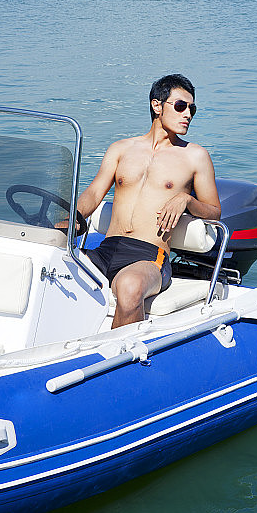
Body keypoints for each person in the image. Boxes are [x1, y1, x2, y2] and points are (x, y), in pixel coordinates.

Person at [77, 74, 221, 328]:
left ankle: (120, 362)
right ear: (157, 105)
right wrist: (69, 220)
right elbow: (93, 194)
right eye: (180, 106)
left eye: (192, 109)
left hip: (149, 256)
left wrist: (186, 200)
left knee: (130, 286)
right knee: (50, 268)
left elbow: (214, 212)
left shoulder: (196, 156)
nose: (187, 114)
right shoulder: (121, 149)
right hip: (106, 249)